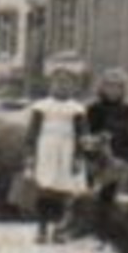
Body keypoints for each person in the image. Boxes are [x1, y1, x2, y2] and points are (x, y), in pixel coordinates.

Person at [27, 68, 87, 244]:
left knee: (66, 191)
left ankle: (60, 229)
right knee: (45, 189)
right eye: (58, 82)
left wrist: (78, 156)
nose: (62, 86)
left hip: (68, 150)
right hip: (46, 150)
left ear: (73, 87)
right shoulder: (41, 107)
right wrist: (30, 154)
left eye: (66, 82)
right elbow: (33, 132)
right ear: (50, 85)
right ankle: (42, 228)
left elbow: (82, 134)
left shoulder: (77, 109)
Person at [86, 68, 128, 169]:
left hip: (127, 160)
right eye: (110, 85)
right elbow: (91, 139)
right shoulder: (94, 109)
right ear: (102, 87)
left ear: (123, 89)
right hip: (102, 161)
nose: (114, 90)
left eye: (118, 86)